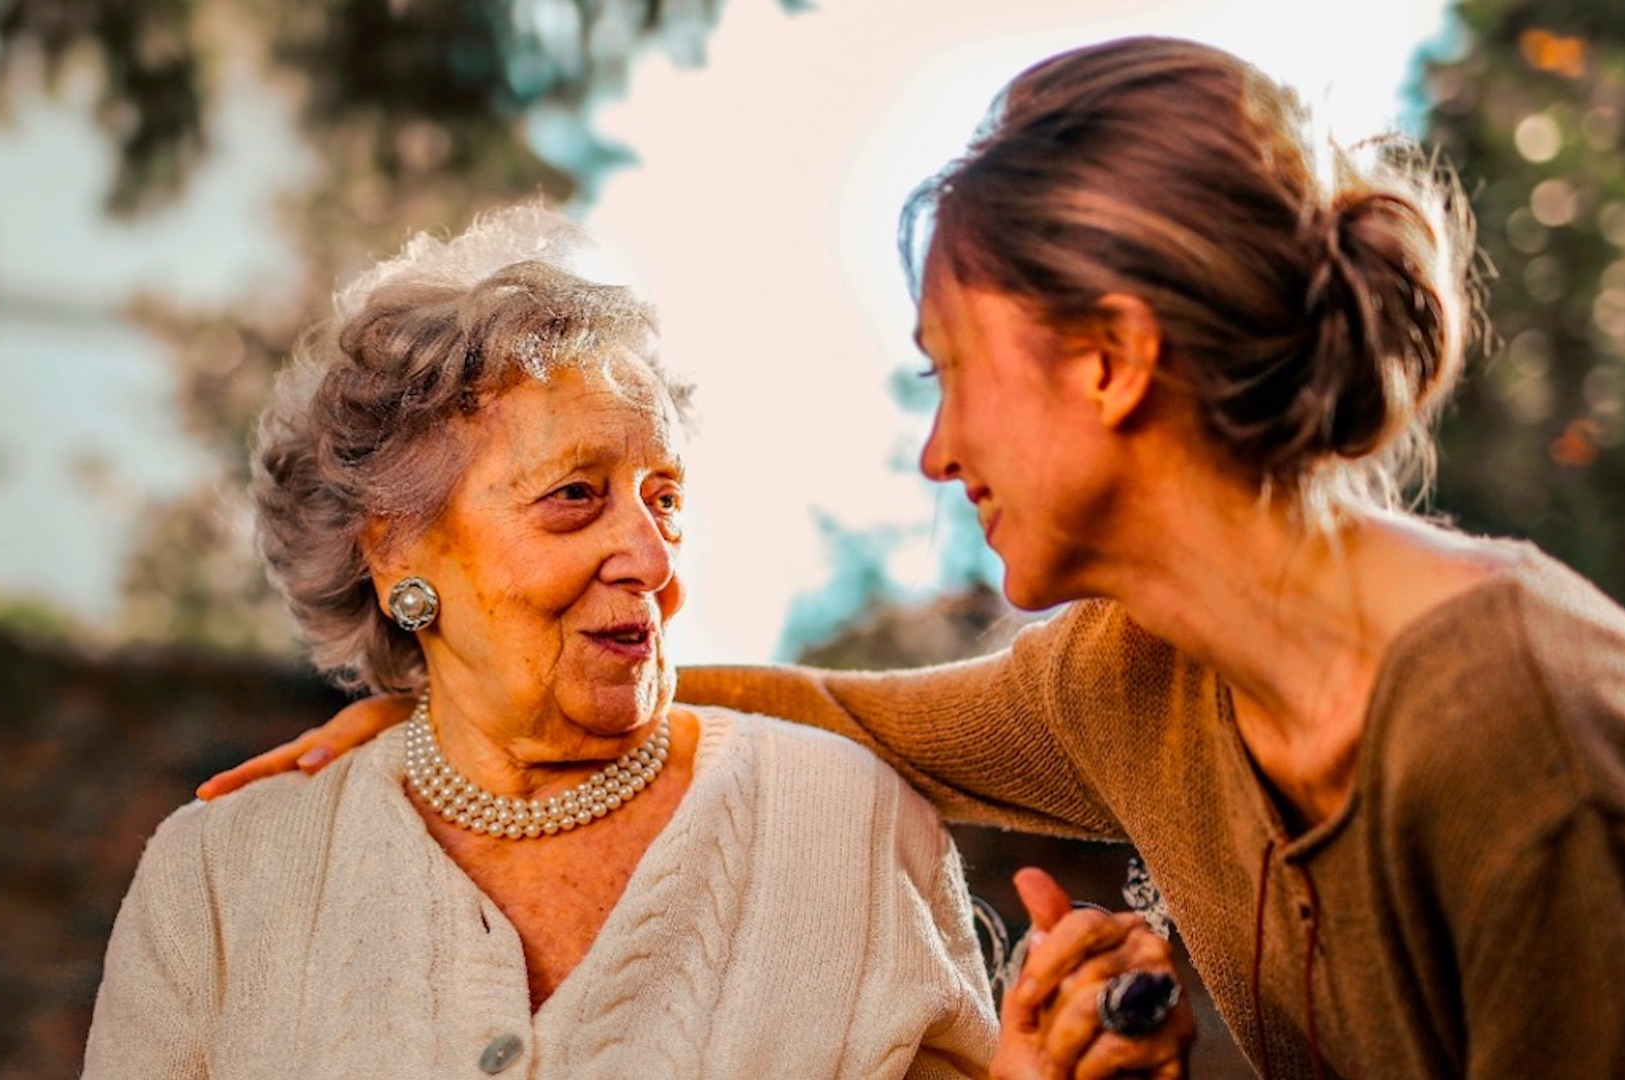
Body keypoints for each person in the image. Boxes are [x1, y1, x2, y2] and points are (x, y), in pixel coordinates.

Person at [199, 36, 1625, 1080]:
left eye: (950, 369)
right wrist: (462, 699)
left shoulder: (1521, 744)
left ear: (1112, 361)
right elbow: (841, 718)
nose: (937, 451)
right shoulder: (1140, 680)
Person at [81, 207, 1027, 1079]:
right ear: (397, 549)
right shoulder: (220, 877)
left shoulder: (847, 826)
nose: (651, 556)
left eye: (666, 500)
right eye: (575, 496)